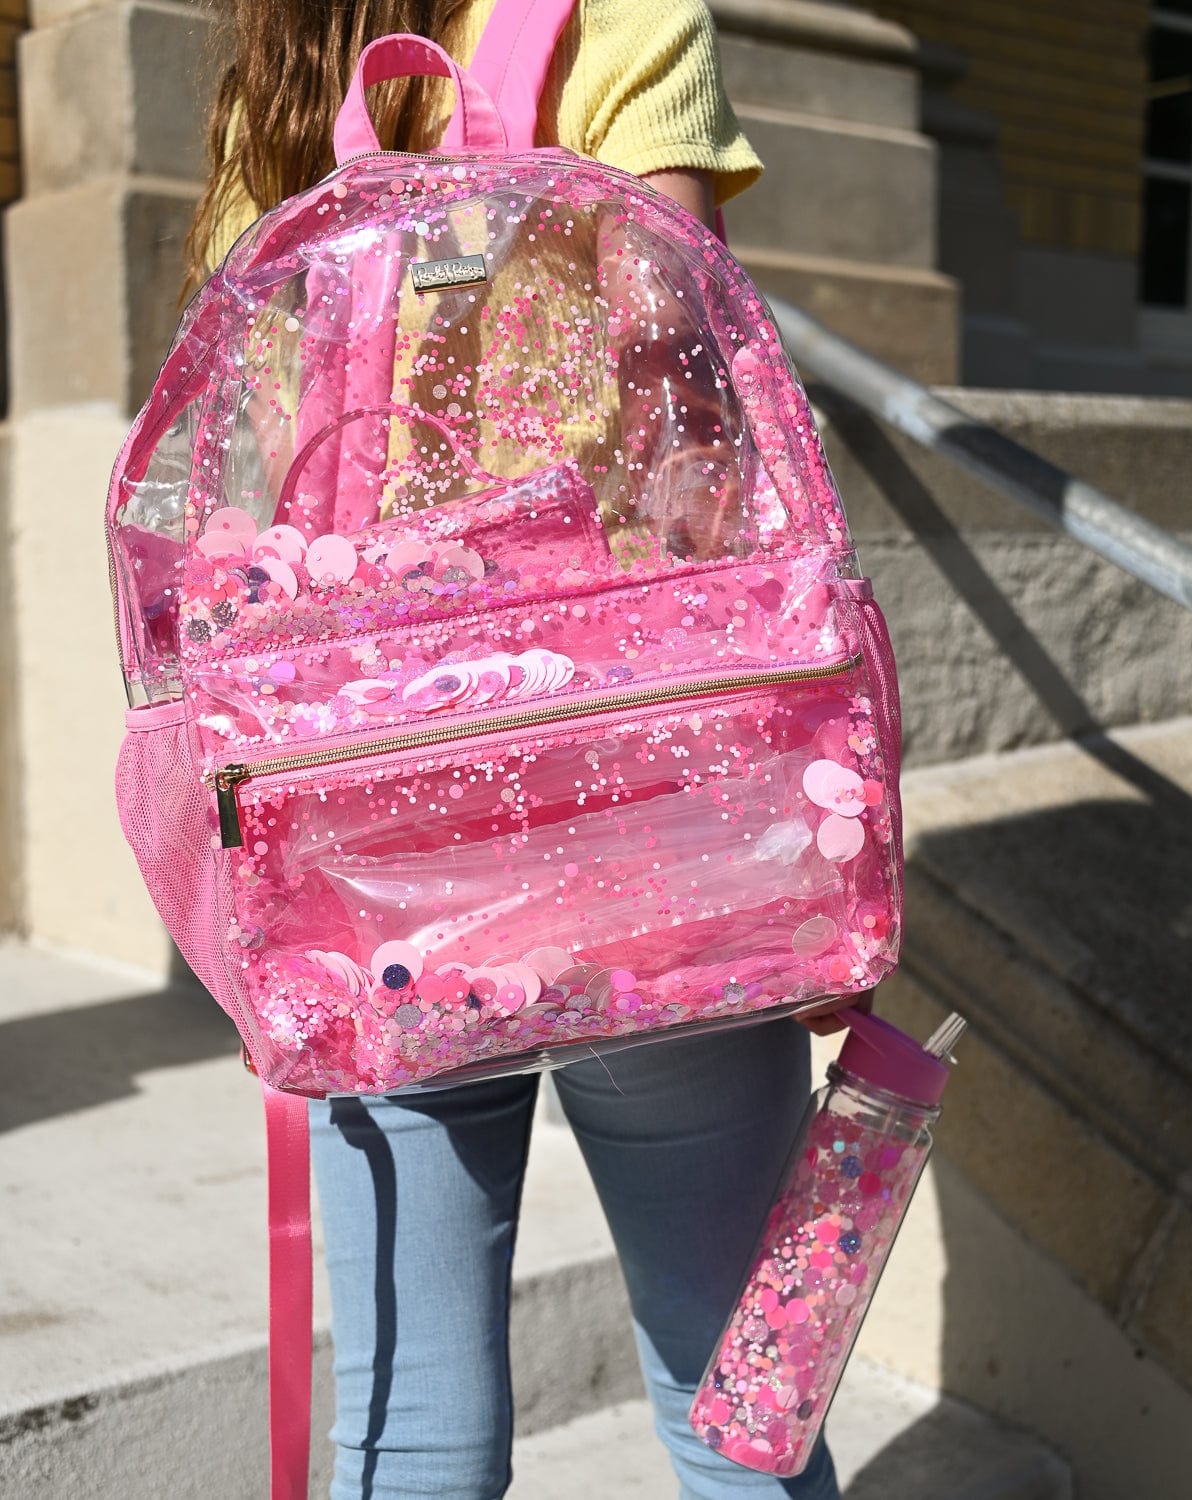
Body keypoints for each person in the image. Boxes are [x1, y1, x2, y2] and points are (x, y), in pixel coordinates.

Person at [185, 3, 854, 1495]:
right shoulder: (618, 9)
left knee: (411, 1415)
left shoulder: (293, 70)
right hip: (631, 785)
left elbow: (254, 456)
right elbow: (680, 380)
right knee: (729, 1390)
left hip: (372, 818)